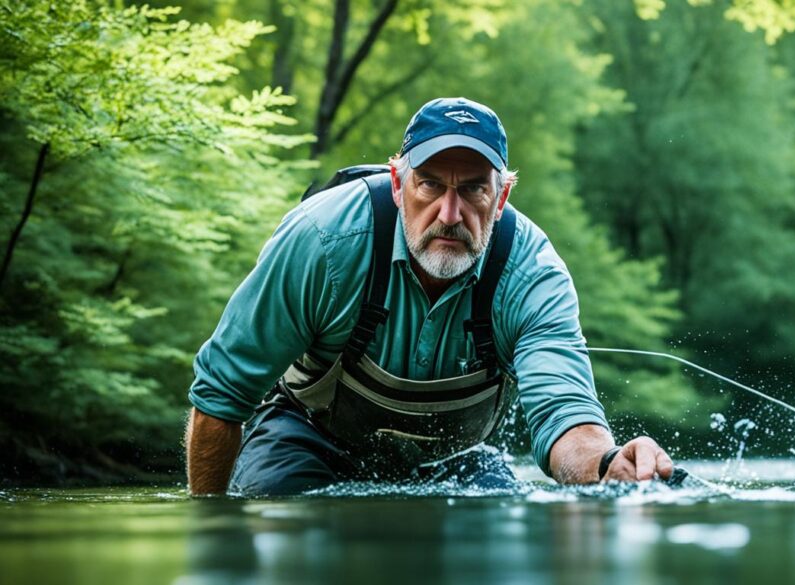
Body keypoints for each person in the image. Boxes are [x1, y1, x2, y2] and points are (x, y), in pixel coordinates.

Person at [185, 97, 674, 496]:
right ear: (398, 184)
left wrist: (608, 465)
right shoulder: (323, 241)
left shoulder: (532, 275)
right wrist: (211, 531)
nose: (449, 214)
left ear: (501, 198)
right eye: (430, 185)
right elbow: (222, 394)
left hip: (455, 462)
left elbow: (565, 414)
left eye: (474, 190)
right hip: (306, 438)